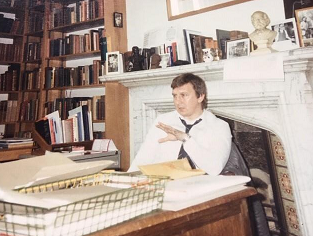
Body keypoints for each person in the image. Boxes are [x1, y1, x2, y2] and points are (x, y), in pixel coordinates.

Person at [128, 73, 232, 175]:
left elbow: (214, 169)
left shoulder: (219, 126)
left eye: (184, 95)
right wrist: (125, 181)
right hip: (164, 184)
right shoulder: (163, 121)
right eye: (175, 96)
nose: (178, 102)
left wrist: (186, 139)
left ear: (200, 97)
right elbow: (142, 159)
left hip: (199, 186)